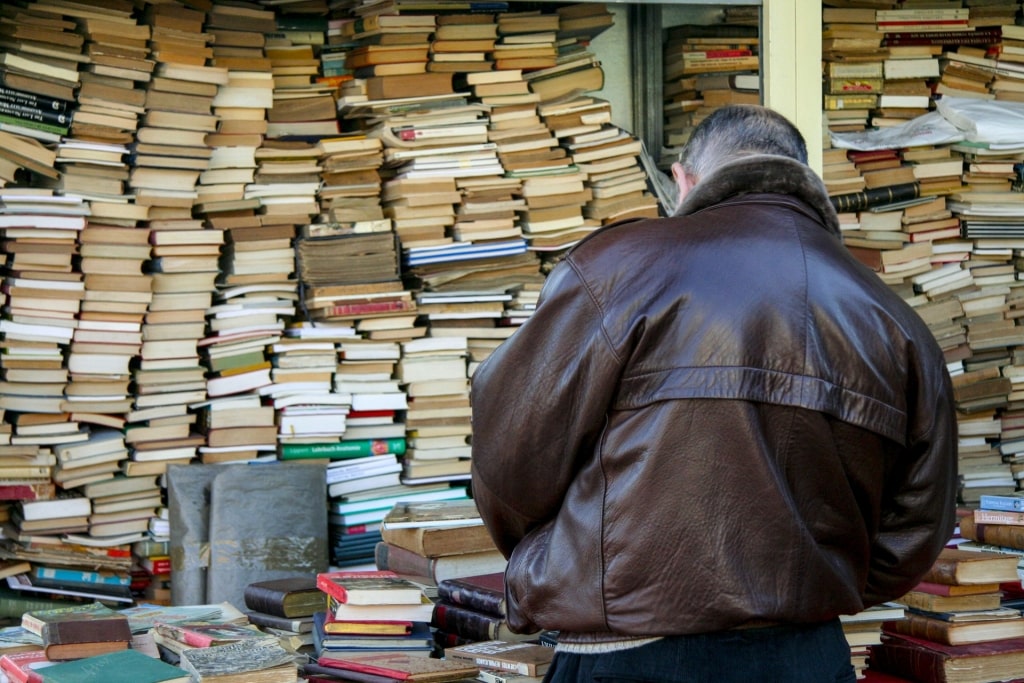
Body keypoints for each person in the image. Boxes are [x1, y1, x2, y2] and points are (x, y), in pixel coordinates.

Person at [469, 105, 958, 683]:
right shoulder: (893, 321)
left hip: (632, 653)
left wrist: (558, 564)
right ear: (808, 182)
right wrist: (808, 587)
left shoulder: (618, 269)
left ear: (683, 180)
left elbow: (511, 460)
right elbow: (917, 524)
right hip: (808, 656)